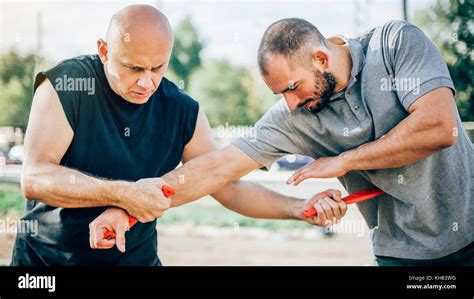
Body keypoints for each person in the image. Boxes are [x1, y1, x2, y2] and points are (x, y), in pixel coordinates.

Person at [91, 18, 473, 266]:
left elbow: (439, 128)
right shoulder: (295, 114)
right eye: (280, 94)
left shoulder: (394, 45)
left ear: (321, 58)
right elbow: (218, 167)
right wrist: (129, 207)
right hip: (399, 254)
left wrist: (342, 161)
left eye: (292, 87)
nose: (290, 104)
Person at [11, 7, 346, 266]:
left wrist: (299, 207)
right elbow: (36, 177)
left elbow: (225, 185)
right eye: (134, 68)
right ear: (104, 51)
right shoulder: (67, 84)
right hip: (46, 262)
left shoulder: (182, 109)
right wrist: (125, 194)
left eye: (158, 68)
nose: (146, 82)